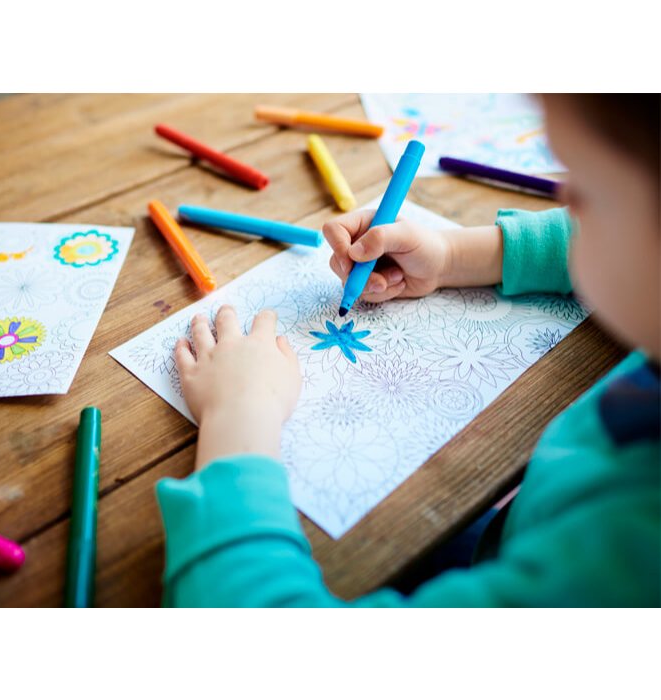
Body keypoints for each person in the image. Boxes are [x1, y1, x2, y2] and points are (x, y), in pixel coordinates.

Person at [158, 94, 660, 606]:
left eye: (585, 192)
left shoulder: (621, 564)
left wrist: (240, 417)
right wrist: (453, 256)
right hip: (518, 531)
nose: (566, 206)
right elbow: (575, 238)